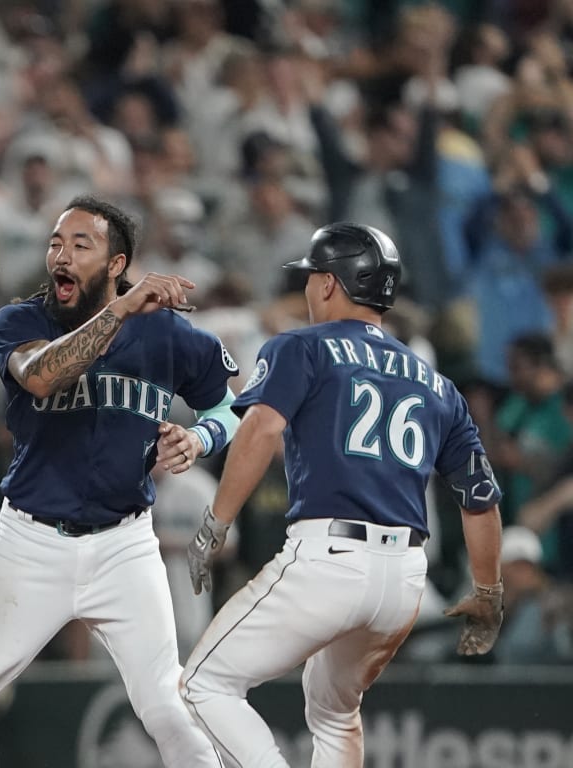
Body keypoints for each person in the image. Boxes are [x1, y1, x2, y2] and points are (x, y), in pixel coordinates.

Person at [0, 196, 234, 768]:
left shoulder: (169, 336)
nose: (62, 254)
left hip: (124, 545)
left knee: (169, 710)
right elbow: (43, 378)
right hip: (30, 545)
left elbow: (234, 409)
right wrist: (121, 311)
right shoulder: (22, 320)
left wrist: (202, 438)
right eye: (57, 241)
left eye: (82, 244)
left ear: (116, 263)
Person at [180, 223, 505, 767]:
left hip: (328, 559)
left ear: (330, 284)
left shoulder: (302, 346)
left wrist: (216, 522)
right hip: (404, 576)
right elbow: (480, 499)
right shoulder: (436, 383)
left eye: (310, 278)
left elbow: (260, 429)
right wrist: (489, 592)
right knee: (333, 707)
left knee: (204, 684)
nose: (305, 290)